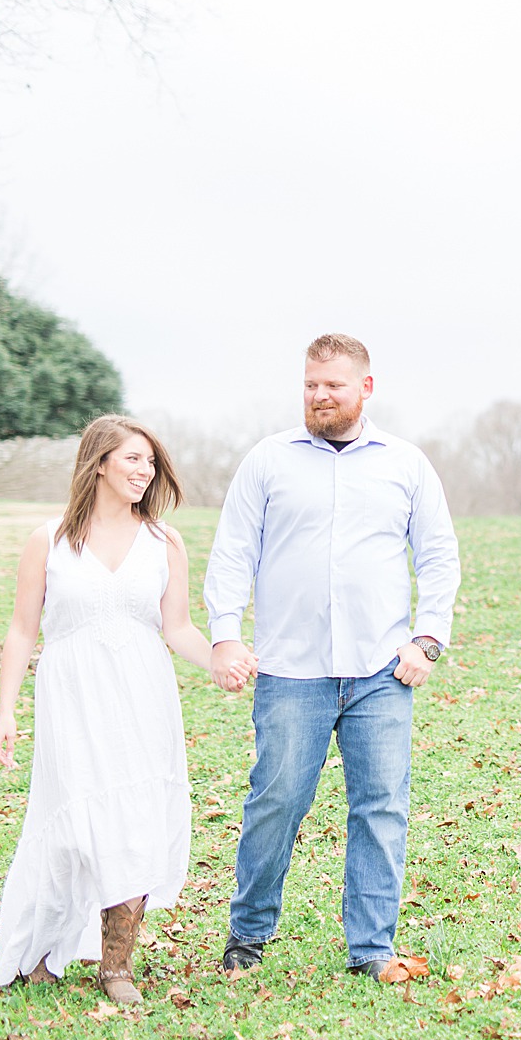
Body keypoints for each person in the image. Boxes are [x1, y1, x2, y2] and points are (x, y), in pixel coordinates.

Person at [205, 333, 461, 981]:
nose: (320, 396)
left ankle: (372, 947)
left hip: (382, 669)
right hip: (292, 670)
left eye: (334, 385)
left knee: (380, 805)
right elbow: (233, 550)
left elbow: (437, 555)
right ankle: (248, 934)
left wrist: (428, 637)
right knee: (277, 800)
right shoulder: (269, 460)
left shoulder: (405, 463)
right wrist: (226, 632)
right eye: (311, 384)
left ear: (365, 388)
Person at [0, 415, 255, 1003]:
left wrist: (217, 659)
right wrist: (6, 712)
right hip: (72, 695)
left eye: (151, 463)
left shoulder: (164, 541)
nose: (145, 471)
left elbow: (177, 627)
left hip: (142, 694)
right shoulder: (50, 540)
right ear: (99, 462)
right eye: (133, 459)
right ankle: (47, 944)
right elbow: (20, 632)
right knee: (71, 823)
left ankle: (116, 965)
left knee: (133, 820)